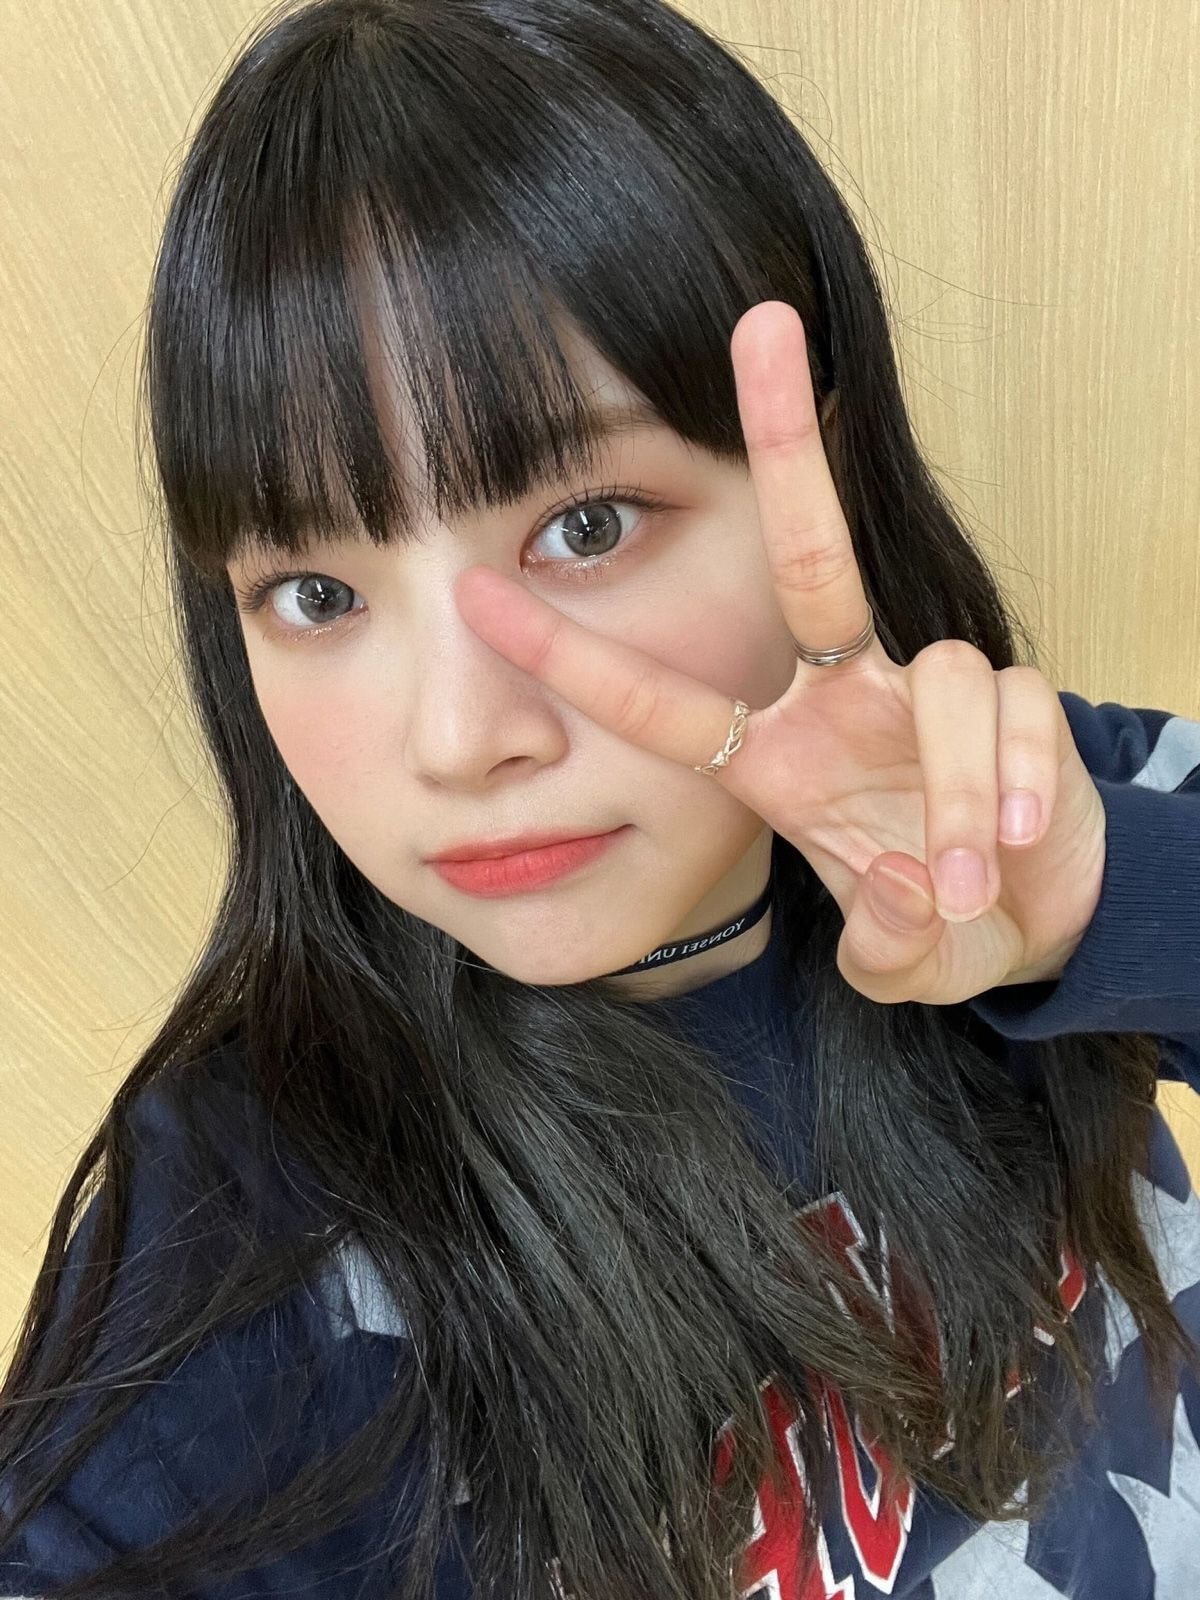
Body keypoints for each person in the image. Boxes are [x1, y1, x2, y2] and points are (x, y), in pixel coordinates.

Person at [1, 0, 1198, 1595]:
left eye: (586, 527)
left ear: (817, 480)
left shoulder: (1031, 803)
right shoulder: (243, 1233)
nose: (457, 739)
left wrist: (1100, 905)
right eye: (315, 593)